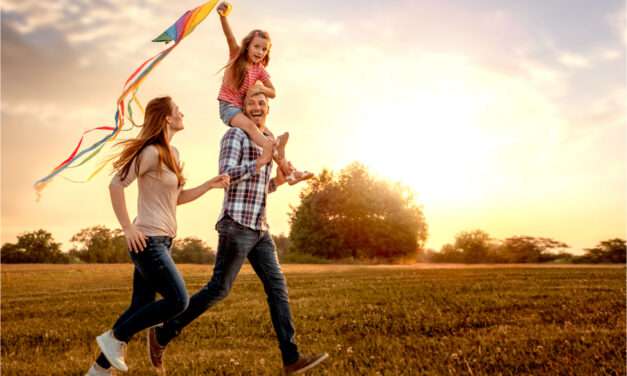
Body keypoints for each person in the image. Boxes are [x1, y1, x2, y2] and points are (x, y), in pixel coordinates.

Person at [147, 91, 328, 375]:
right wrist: (261, 161)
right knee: (218, 289)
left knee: (277, 289)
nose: (257, 107)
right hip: (236, 225)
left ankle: (291, 359)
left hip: (260, 228)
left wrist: (278, 181)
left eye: (261, 103)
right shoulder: (236, 136)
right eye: (251, 104)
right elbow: (227, 175)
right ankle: (163, 333)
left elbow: (259, 188)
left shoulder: (266, 139)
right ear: (242, 110)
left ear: (268, 108)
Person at [85, 96, 230, 376]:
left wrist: (209, 185)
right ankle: (115, 337)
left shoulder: (172, 153)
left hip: (162, 241)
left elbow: (176, 198)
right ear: (166, 118)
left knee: (141, 305)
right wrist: (128, 227)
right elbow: (116, 184)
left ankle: (98, 371)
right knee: (179, 301)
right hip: (147, 241)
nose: (182, 113)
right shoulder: (150, 152)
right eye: (178, 110)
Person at [215, 1, 313, 186]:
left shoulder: (259, 70)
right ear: (247, 46)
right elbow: (229, 37)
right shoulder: (237, 56)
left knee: (268, 134)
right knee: (254, 130)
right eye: (256, 47)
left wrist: (260, 88)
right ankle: (274, 148)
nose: (259, 52)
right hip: (229, 108)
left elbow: (273, 92)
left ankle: (290, 174)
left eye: (264, 49)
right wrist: (223, 17)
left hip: (241, 109)